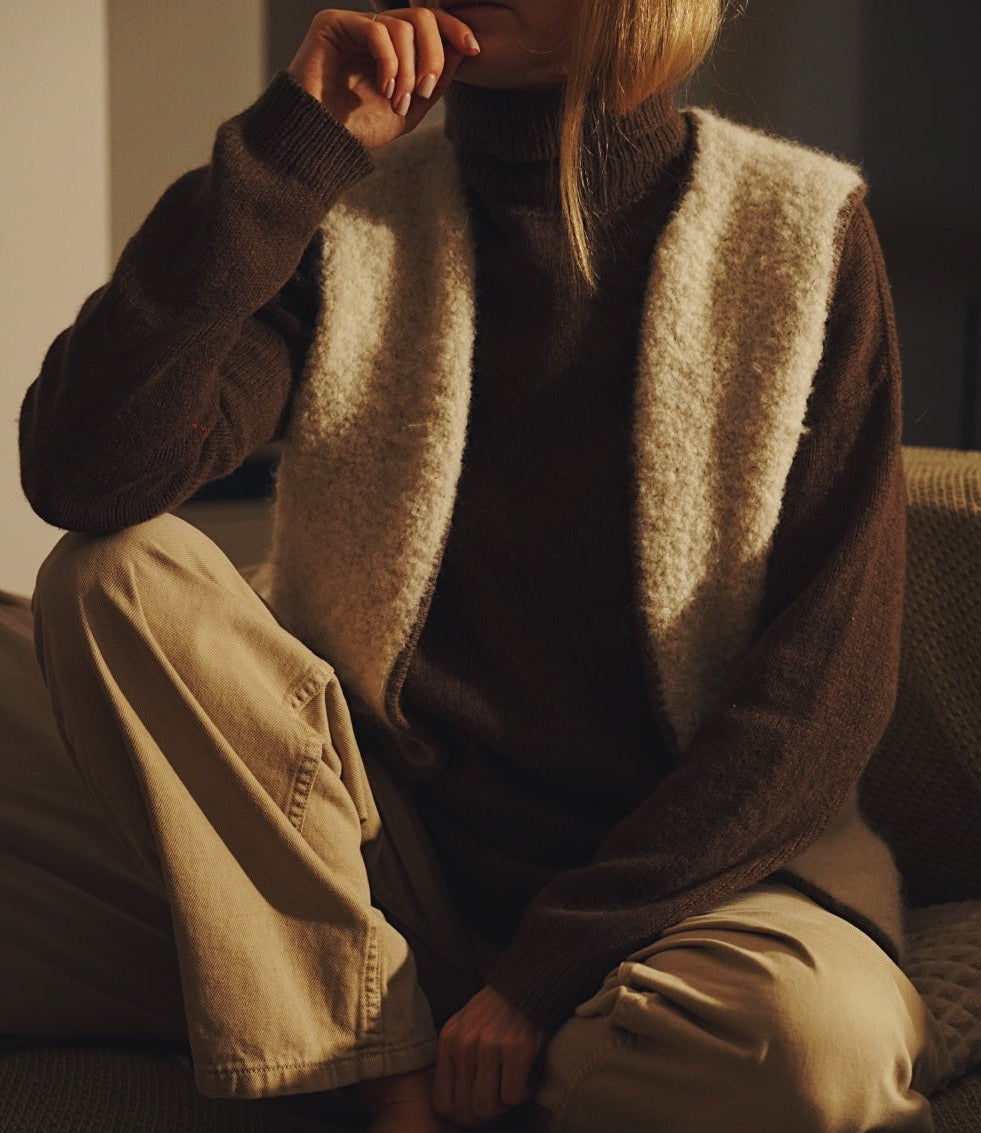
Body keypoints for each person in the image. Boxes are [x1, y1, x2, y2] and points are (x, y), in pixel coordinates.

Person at [7, 0, 953, 1129]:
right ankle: (373, 1048)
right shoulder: (347, 216)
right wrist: (288, 147)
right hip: (359, 868)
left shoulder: (800, 231)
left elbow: (821, 697)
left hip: (679, 903)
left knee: (813, 1053)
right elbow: (87, 475)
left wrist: (536, 981)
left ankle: (336, 1022)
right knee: (112, 571)